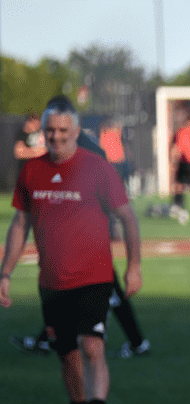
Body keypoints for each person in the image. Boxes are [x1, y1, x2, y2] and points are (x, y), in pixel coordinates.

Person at [0, 96, 143, 404]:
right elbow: (20, 223)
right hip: (51, 281)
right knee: (65, 353)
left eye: (64, 130)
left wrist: (134, 265)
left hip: (94, 275)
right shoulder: (32, 171)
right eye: (50, 130)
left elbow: (127, 216)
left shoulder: (97, 169)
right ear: (43, 133)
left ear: (77, 131)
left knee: (92, 345)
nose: (57, 137)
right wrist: (5, 272)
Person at [9, 98, 151, 359]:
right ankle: (135, 342)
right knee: (84, 292)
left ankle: (134, 342)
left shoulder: (89, 154)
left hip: (85, 239)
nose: (56, 135)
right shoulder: (83, 148)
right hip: (79, 238)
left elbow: (102, 200)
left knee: (89, 291)